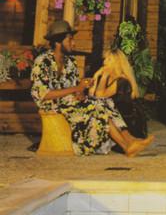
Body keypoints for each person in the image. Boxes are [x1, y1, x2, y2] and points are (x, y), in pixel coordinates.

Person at [30, 20, 153, 157]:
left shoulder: (70, 62)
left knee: (106, 102)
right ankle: (126, 145)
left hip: (70, 103)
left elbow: (75, 89)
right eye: (70, 40)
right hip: (52, 105)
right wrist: (77, 88)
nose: (73, 43)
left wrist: (80, 92)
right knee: (97, 105)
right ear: (58, 42)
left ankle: (129, 140)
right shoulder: (43, 62)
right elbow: (43, 94)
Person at [89, 48, 148, 139]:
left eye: (108, 59)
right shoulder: (107, 78)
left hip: (126, 122)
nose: (104, 62)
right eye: (104, 59)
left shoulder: (122, 80)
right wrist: (96, 77)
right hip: (113, 118)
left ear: (117, 63)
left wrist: (104, 76)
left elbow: (99, 96)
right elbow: (91, 95)